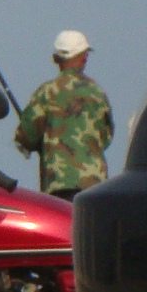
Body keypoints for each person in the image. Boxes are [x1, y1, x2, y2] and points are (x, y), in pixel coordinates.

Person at [14, 29, 112, 200]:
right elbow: (106, 137)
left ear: (56, 59)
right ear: (84, 57)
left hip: (58, 186)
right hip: (96, 187)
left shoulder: (46, 92)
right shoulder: (97, 93)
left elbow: (26, 137)